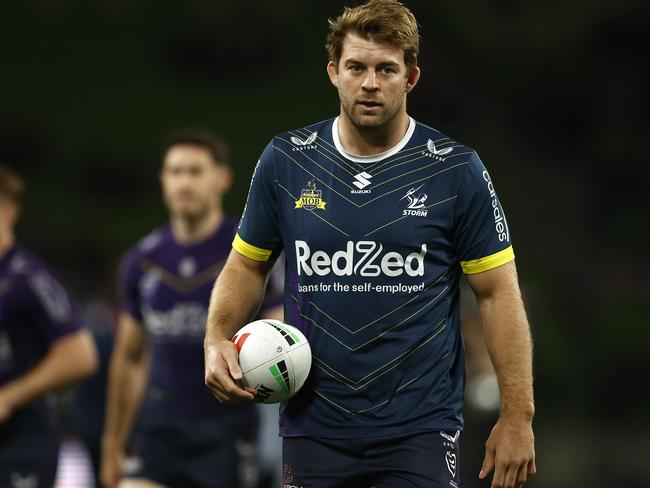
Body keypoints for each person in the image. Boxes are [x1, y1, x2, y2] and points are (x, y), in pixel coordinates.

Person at [204, 1, 536, 487]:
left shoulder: (454, 169)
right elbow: (246, 266)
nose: (371, 83)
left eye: (387, 69)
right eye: (356, 67)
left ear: (411, 78)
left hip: (420, 430)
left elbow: (497, 292)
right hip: (312, 427)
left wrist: (518, 416)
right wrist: (216, 338)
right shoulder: (286, 162)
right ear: (334, 72)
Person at [100, 128, 283, 488]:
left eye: (196, 171)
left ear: (222, 178)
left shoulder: (246, 258)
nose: (184, 182)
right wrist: (113, 443)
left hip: (227, 431)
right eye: (176, 171)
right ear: (163, 180)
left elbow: (277, 333)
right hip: (159, 429)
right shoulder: (142, 261)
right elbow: (130, 359)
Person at [0, 165, 98, 488]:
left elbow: (80, 355)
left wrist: (10, 397)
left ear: (8, 210)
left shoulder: (28, 277)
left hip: (21, 443)